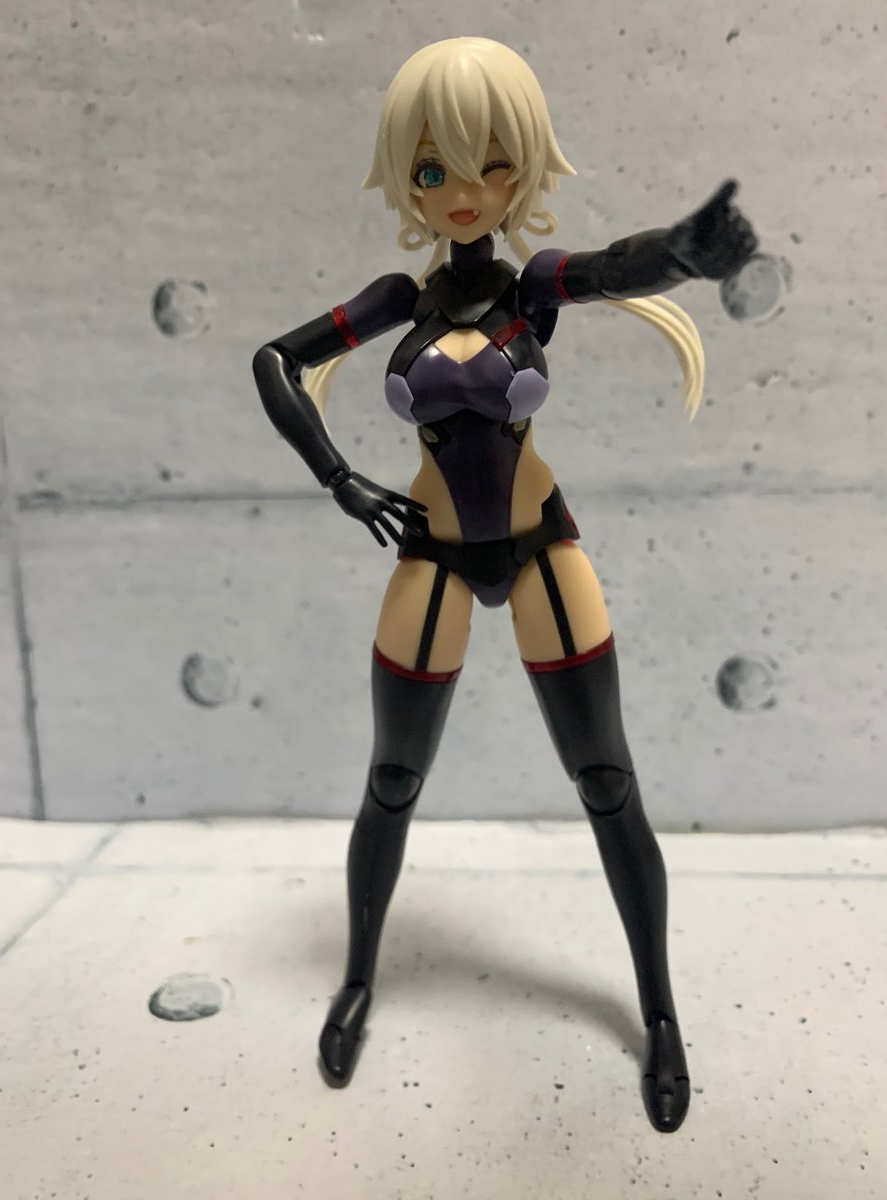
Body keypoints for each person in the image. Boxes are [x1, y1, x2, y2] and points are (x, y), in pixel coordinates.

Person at [252, 36, 758, 1133]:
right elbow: (273, 361)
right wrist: (338, 477)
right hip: (430, 553)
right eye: (434, 168)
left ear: (524, 169)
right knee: (392, 780)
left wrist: (684, 251)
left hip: (541, 551)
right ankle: (357, 981)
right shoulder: (400, 297)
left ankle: (660, 1012)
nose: (466, 191)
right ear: (404, 175)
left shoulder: (535, 289)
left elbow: (615, 266)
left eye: (493, 165)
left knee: (607, 783)